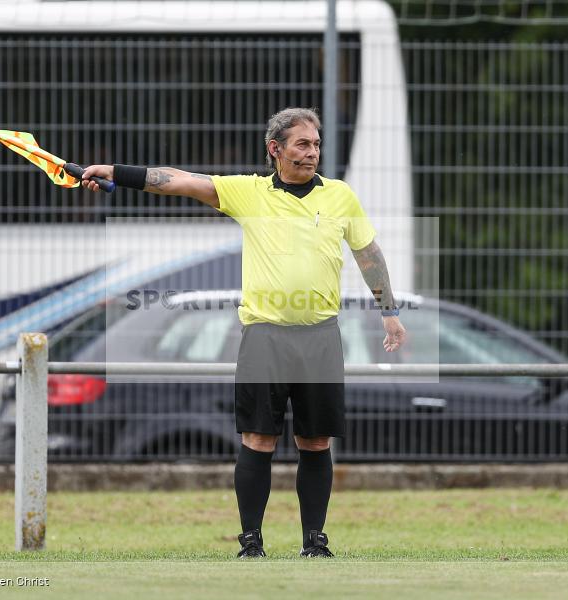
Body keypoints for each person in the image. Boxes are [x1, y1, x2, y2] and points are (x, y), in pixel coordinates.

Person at [80, 107, 407, 558]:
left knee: (315, 441)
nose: (312, 153)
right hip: (264, 336)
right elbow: (179, 180)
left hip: (321, 336)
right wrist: (117, 173)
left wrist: (388, 310)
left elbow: (368, 254)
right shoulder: (248, 192)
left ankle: (315, 541)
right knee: (258, 439)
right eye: (302, 145)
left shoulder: (340, 197)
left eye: (316, 144)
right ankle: (250, 542)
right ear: (275, 149)